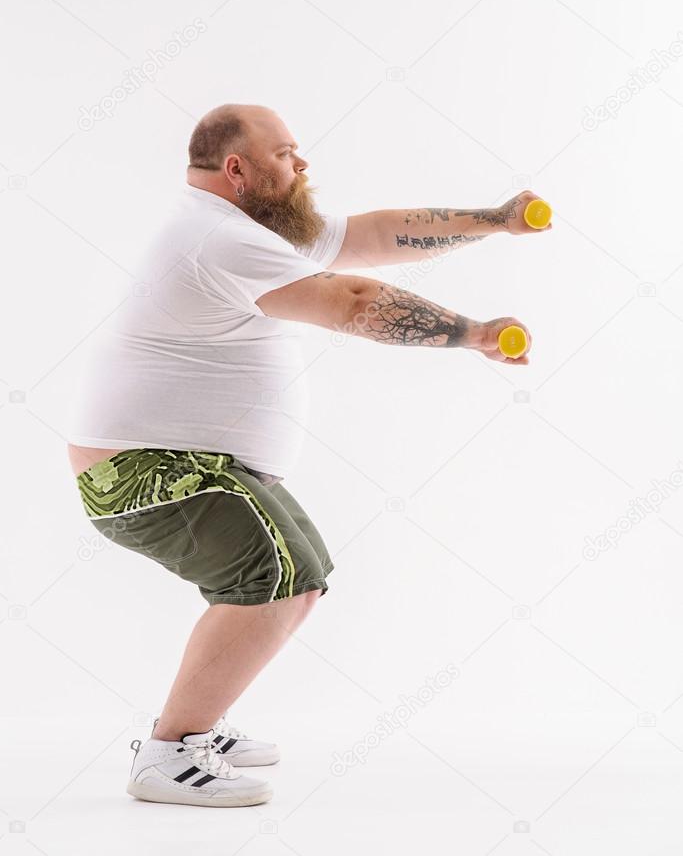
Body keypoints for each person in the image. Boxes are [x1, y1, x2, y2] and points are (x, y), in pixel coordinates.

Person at [67, 103, 548, 808]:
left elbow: (371, 236)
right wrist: (473, 333)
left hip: (181, 465)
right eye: (287, 152)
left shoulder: (244, 225)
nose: (302, 163)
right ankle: (169, 752)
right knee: (279, 576)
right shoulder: (218, 237)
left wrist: (494, 218)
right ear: (238, 169)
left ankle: (198, 725)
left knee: (301, 576)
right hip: (148, 469)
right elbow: (351, 299)